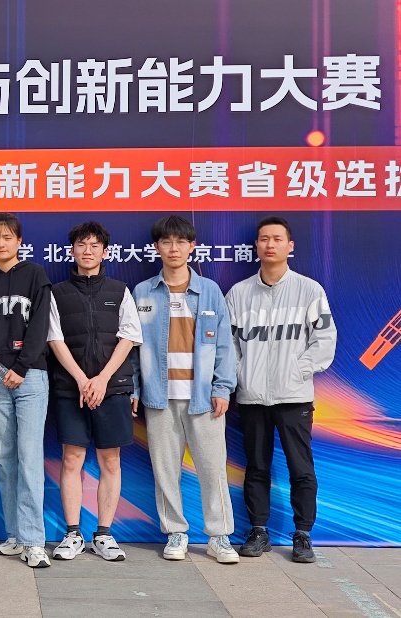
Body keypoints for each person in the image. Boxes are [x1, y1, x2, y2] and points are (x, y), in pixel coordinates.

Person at [226, 216, 336, 563]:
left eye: (277, 239)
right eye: (263, 239)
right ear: (256, 246)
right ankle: (258, 531)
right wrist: (242, 375)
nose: (270, 244)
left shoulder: (309, 290)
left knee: (301, 468)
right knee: (256, 466)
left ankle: (303, 534)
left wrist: (297, 371)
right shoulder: (239, 293)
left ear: (290, 246)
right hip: (253, 396)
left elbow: (324, 340)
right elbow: (228, 346)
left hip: (294, 396)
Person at [131, 215, 239, 564]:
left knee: (213, 469)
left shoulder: (209, 291)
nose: (173, 248)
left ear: (192, 246)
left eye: (180, 242)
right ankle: (175, 532)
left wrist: (222, 388)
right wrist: (134, 388)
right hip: (158, 396)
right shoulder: (143, 292)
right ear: (157, 247)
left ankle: (219, 536)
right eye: (166, 242)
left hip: (203, 397)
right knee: (165, 470)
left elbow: (224, 345)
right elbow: (132, 346)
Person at [47, 221, 142, 563]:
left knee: (110, 460)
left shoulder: (120, 290)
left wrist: (101, 379)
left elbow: (129, 336)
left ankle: (104, 534)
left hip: (112, 388)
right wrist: (81, 379)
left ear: (105, 251)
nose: (87, 251)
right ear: (72, 250)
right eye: (81, 245)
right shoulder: (57, 292)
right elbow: (54, 338)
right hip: (70, 388)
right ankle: (73, 534)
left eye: (94, 245)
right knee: (72, 459)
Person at [0, 213, 53, 568]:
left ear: (19, 241)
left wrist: (21, 367)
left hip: (30, 375)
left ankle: (34, 541)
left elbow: (40, 325)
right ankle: (14, 534)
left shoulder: (34, 274)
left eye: (7, 237)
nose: (1, 243)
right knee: (6, 458)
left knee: (29, 457)